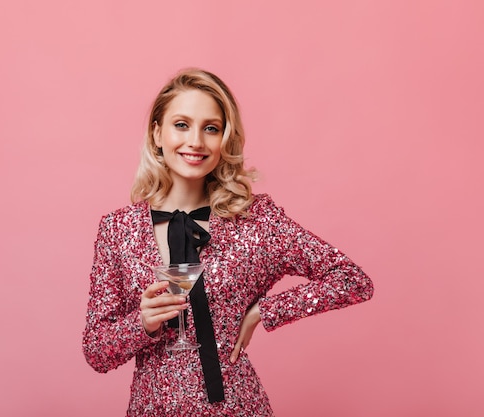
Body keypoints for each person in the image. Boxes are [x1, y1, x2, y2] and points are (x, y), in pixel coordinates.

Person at [82, 68, 374, 416]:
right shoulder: (118, 229)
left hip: (236, 408)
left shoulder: (256, 221)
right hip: (152, 409)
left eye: (211, 128)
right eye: (181, 124)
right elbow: (97, 351)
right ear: (157, 133)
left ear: (225, 139)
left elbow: (352, 280)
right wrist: (142, 322)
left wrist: (264, 311)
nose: (195, 141)